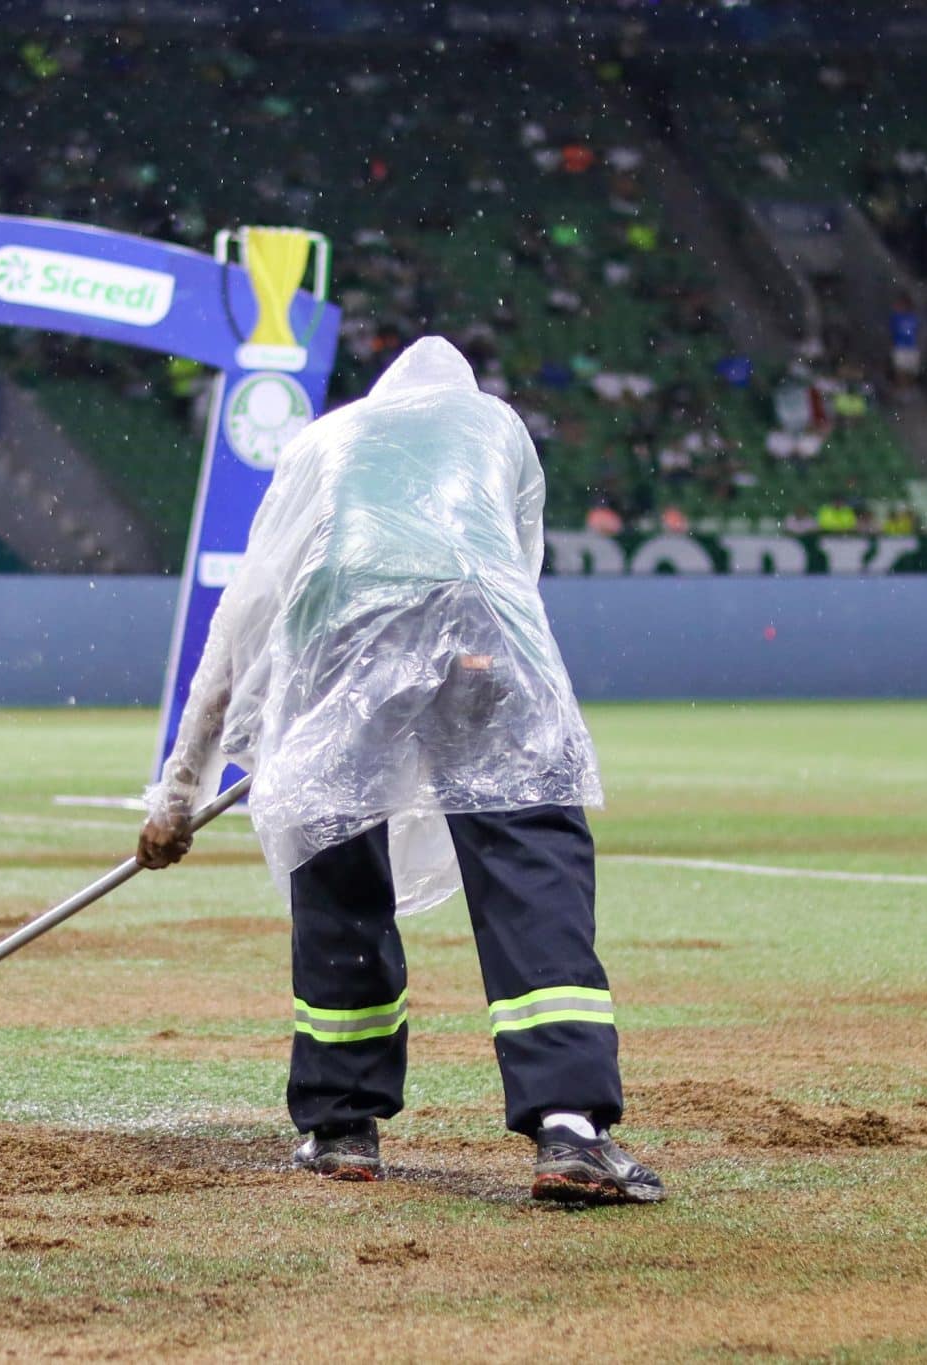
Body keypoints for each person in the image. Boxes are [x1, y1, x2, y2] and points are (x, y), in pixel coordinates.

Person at [136, 337, 662, 1206]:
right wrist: (450, 691)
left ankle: (341, 1125)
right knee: (529, 851)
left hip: (337, 625)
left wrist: (177, 796)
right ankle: (569, 1127)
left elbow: (241, 620)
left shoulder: (323, 444)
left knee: (337, 854)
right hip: (482, 626)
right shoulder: (498, 426)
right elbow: (510, 571)